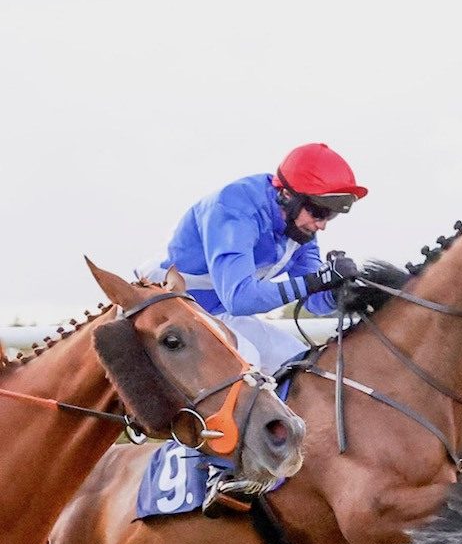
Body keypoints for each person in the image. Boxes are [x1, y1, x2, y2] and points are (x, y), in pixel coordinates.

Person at [139, 143, 367, 377]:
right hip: (167, 311)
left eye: (331, 215)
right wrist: (314, 281)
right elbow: (240, 300)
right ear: (287, 196)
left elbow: (313, 302)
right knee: (247, 361)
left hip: (216, 313)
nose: (322, 225)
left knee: (299, 361)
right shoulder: (234, 209)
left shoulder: (300, 227)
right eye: (319, 212)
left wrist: (340, 293)